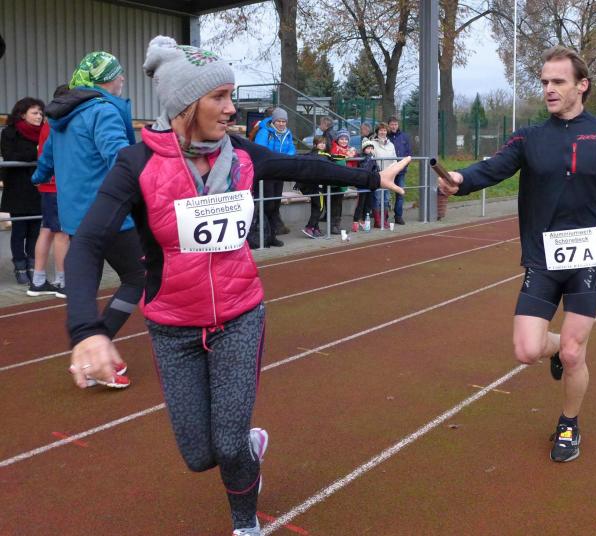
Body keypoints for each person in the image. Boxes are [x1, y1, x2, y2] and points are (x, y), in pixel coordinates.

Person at [64, 36, 409, 535]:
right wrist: (87, 330)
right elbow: (87, 243)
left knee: (228, 445)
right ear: (186, 105)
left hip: (239, 316)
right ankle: (249, 449)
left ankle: (245, 523)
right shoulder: (137, 165)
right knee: (199, 456)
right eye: (220, 97)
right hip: (173, 327)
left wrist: (373, 178)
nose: (232, 108)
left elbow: (302, 166)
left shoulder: (243, 155)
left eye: (231, 95)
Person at [437, 46, 596, 463]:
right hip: (542, 257)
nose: (549, 89)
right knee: (526, 350)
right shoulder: (530, 138)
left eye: (558, 81)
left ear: (582, 85)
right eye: (544, 82)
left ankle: (568, 422)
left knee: (576, 352)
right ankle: (555, 348)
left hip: (588, 257)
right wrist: (459, 179)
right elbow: (493, 167)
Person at [31, 51, 144, 389]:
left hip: (74, 218)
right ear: (107, 79)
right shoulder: (103, 111)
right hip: (110, 217)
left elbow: (46, 161)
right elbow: (120, 159)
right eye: (119, 74)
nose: (123, 79)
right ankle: (97, 349)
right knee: (138, 277)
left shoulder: (62, 115)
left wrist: (37, 177)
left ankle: (89, 352)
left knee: (85, 291)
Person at [27, 85, 72, 297]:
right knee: (62, 234)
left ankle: (38, 280)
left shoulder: (50, 122)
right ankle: (62, 281)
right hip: (57, 186)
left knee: (47, 231)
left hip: (49, 185)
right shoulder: (60, 123)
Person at [1, 97, 44, 285]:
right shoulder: (9, 133)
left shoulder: (44, 133)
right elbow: (10, 155)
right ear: (22, 114)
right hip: (17, 188)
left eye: (41, 113)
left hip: (38, 188)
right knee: (19, 230)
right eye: (35, 113)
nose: (39, 116)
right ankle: (20, 267)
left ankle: (33, 265)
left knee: (35, 230)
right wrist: (36, 152)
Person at [253, 107, 296, 246]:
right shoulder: (265, 132)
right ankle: (262, 235)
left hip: (279, 172)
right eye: (279, 121)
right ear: (273, 121)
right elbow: (260, 150)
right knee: (267, 204)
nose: (281, 124)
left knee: (275, 204)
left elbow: (291, 149)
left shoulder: (287, 133)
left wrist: (285, 159)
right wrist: (278, 159)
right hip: (267, 173)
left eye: (284, 121)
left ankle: (272, 236)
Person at [298, 135, 328, 238]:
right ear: (315, 144)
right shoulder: (321, 154)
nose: (323, 145)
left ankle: (315, 228)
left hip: (312, 185)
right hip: (317, 186)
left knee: (315, 207)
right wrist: (346, 156)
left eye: (324, 143)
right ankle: (309, 227)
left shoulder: (311, 154)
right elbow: (334, 157)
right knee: (320, 207)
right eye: (320, 143)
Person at [329, 129, 358, 234]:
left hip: (344, 179)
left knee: (339, 203)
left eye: (346, 139)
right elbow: (335, 158)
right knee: (334, 203)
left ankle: (336, 225)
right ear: (337, 139)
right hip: (335, 180)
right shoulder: (334, 148)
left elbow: (353, 165)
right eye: (341, 139)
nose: (344, 141)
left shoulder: (350, 150)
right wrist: (347, 156)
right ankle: (333, 226)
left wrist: (354, 156)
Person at [371, 122, 397, 229]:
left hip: (388, 176)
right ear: (377, 132)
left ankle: (384, 220)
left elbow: (395, 159)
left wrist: (393, 172)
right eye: (381, 130)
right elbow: (371, 159)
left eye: (385, 130)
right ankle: (377, 221)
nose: (383, 132)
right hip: (378, 175)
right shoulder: (372, 143)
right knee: (377, 198)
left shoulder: (391, 145)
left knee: (386, 199)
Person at [388, 116, 412, 225]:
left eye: (395, 124)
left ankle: (398, 216)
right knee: (385, 194)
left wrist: (404, 165)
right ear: (389, 125)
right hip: (388, 170)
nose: (394, 126)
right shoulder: (385, 136)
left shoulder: (404, 137)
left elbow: (408, 153)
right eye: (392, 124)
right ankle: (383, 216)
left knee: (400, 193)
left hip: (401, 171)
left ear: (398, 125)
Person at [353, 138, 379, 231]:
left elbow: (376, 168)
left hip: (370, 183)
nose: (370, 150)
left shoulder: (373, 157)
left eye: (371, 148)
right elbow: (364, 167)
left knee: (368, 204)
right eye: (368, 148)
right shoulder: (361, 157)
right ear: (364, 149)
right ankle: (355, 221)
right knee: (361, 204)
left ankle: (363, 220)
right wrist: (369, 158)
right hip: (362, 183)